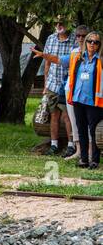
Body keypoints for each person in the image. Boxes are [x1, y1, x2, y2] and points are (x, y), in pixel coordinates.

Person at [31, 18, 77, 157]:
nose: (59, 26)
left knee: (67, 116)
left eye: (62, 23)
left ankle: (71, 145)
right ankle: (54, 145)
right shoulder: (50, 38)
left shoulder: (74, 40)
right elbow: (47, 64)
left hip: (67, 84)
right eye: (56, 23)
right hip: (52, 84)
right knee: (53, 115)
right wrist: (45, 85)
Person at [66, 31, 103, 169]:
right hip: (78, 99)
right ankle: (83, 159)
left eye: (96, 42)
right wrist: (44, 55)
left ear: (100, 45)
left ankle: (94, 160)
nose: (92, 44)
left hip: (94, 102)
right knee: (81, 130)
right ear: (85, 42)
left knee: (93, 132)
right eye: (90, 41)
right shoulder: (78, 58)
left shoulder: (101, 60)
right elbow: (60, 60)